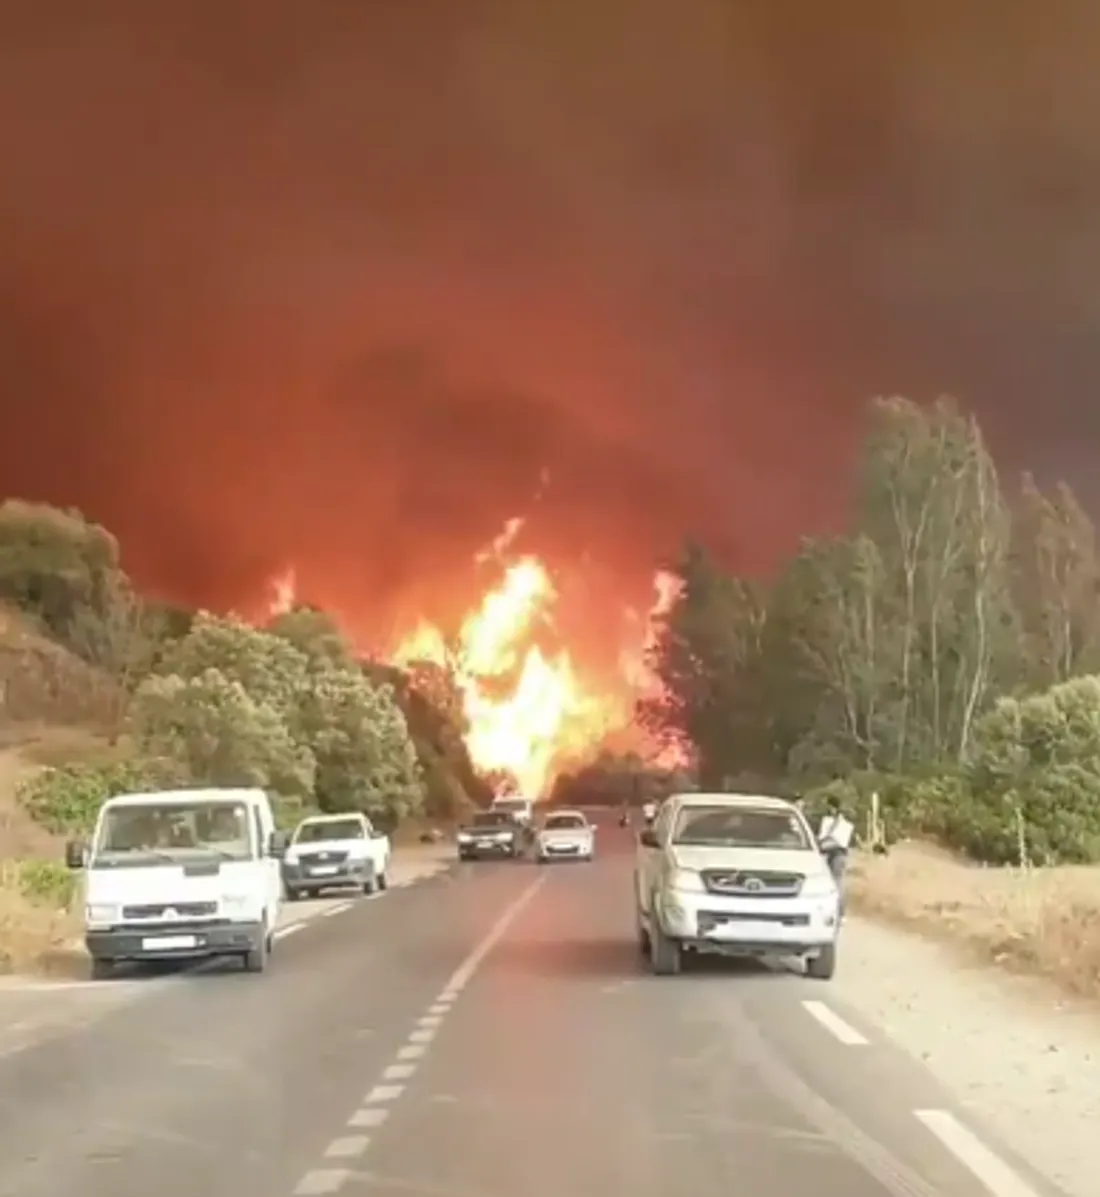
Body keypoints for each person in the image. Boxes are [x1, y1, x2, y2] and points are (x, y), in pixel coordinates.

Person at [817, 796, 854, 885]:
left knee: (836, 880)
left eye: (829, 807)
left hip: (837, 853)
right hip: (827, 853)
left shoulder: (843, 823)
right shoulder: (826, 820)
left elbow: (841, 841)